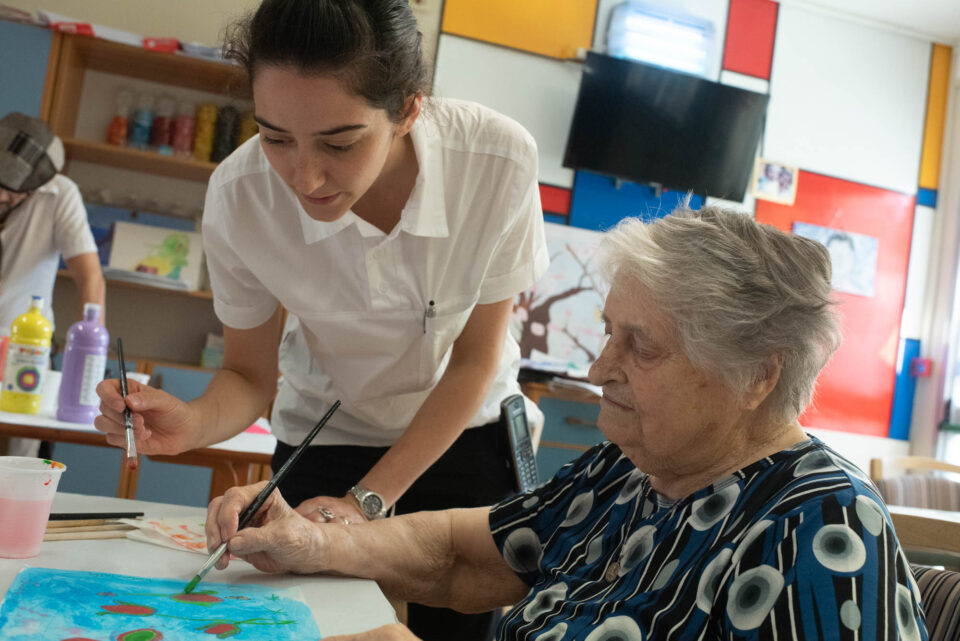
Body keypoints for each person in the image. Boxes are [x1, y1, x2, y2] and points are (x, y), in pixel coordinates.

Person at [202, 205, 928, 641]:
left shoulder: (823, 530)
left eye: (639, 344)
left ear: (757, 374)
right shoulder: (634, 465)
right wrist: (317, 543)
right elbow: (466, 553)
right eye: (608, 332)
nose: (601, 367)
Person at [95, 1, 547, 638]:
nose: (303, 177)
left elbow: (473, 362)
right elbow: (250, 375)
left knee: (457, 624)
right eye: (275, 137)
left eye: (339, 143)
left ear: (409, 110)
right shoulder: (241, 194)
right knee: (298, 625)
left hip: (464, 433)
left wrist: (366, 503)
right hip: (326, 432)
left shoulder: (495, 161)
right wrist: (192, 421)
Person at [0, 112, 105, 457]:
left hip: (22, 349)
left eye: (13, 192)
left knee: (16, 462)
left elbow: (89, 275)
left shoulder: (60, 194)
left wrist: (91, 356)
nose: (4, 195)